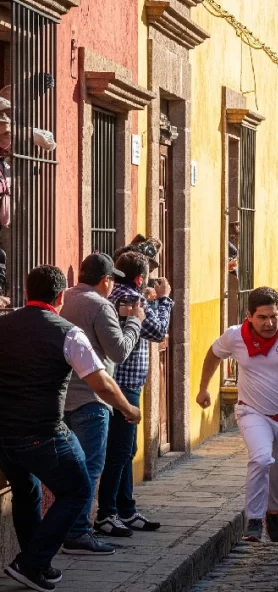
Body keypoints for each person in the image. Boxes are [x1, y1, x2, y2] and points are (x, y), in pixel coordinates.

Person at [0, 266, 141, 591]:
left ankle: (36, 563)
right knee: (77, 489)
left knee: (27, 491)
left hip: (4, 436)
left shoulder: (3, 325)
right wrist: (128, 408)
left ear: (25, 291)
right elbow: (101, 383)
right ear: (61, 297)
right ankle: (32, 562)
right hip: (43, 433)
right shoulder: (67, 333)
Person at [197, 287, 278, 543]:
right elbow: (212, 355)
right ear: (249, 316)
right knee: (261, 458)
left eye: (273, 317)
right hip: (252, 412)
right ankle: (254, 519)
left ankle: (274, 511)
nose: (269, 323)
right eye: (262, 317)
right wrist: (203, 389)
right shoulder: (235, 337)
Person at [59, 253, 144, 556]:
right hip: (91, 399)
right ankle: (78, 533)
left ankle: (64, 529)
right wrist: (134, 322)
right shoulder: (100, 305)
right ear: (106, 280)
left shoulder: (64, 297)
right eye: (111, 281)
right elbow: (119, 352)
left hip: (61, 398)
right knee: (91, 467)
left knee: (67, 469)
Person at [95, 251, 173, 538]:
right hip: (125, 385)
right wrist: (164, 298)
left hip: (116, 382)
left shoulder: (115, 293)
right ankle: (107, 513)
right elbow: (158, 331)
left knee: (126, 450)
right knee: (120, 451)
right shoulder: (132, 298)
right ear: (140, 277)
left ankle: (125, 509)